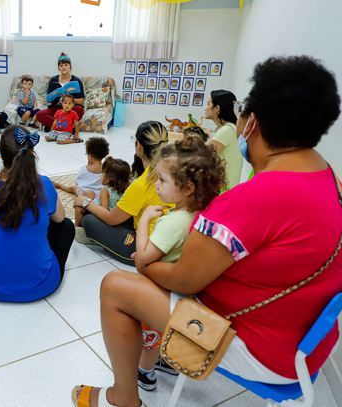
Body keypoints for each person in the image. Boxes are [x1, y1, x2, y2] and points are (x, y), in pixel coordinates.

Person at [71, 55, 342, 407]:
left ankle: (124, 396)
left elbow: (183, 281)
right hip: (305, 342)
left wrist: (144, 263)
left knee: (116, 287)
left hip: (261, 350)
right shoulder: (328, 178)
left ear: (252, 124)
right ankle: (159, 359)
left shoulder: (255, 197)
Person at [133, 136, 225, 392]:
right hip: (184, 294)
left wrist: (144, 220)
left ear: (187, 188)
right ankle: (167, 361)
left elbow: (143, 258)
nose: (158, 187)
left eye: (162, 180)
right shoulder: (200, 214)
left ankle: (145, 372)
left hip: (160, 291)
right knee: (163, 334)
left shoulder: (172, 223)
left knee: (149, 335)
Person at [0, 126, 75, 302]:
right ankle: (35, 259)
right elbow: (60, 218)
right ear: (31, 152)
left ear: (1, 154)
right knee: (66, 226)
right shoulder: (44, 185)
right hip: (42, 285)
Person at [74, 121, 169, 264]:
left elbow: (111, 218)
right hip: (170, 240)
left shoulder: (142, 183)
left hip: (144, 249)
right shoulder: (175, 170)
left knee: (89, 220)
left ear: (139, 147)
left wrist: (85, 202)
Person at [74, 156, 131, 229]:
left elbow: (103, 212)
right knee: (89, 193)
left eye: (102, 173)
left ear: (107, 179)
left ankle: (77, 227)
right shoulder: (127, 188)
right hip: (120, 217)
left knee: (79, 206)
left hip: (104, 217)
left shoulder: (105, 191)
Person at [36, 53, 86, 131]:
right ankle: (65, 128)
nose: (63, 67)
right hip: (57, 109)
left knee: (80, 110)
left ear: (70, 67)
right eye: (61, 65)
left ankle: (53, 127)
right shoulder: (53, 80)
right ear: (59, 68)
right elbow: (49, 99)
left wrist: (68, 99)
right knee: (39, 115)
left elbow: (81, 101)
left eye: (66, 65)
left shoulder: (76, 80)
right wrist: (55, 95)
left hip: (71, 108)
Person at [53, 136, 109, 205]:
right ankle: (60, 185)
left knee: (73, 188)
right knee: (74, 188)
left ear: (90, 156)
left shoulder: (83, 170)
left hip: (85, 194)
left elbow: (78, 183)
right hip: (101, 195)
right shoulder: (106, 170)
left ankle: (60, 185)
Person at [205, 89, 243, 189]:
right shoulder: (227, 129)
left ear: (217, 108)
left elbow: (203, 156)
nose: (205, 108)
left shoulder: (227, 130)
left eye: (208, 104)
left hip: (223, 191)